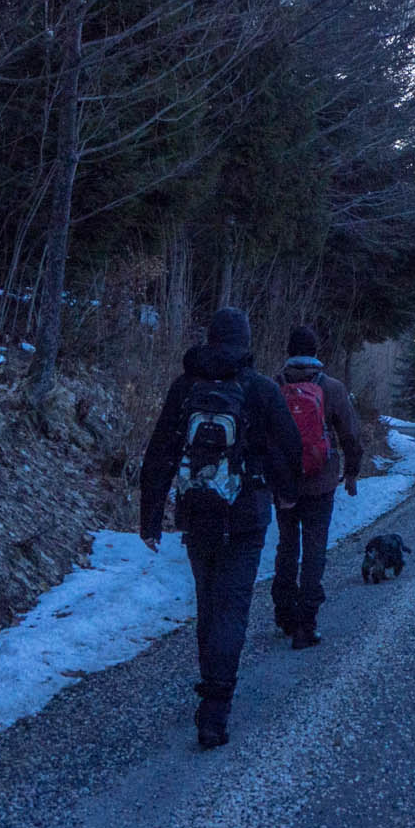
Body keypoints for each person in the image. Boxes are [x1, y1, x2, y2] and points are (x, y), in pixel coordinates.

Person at [140, 307, 301, 748]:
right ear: (245, 341)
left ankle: (209, 684)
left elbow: (160, 452)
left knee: (208, 603)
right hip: (246, 516)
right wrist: (288, 493)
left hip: (196, 512)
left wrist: (150, 519)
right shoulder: (262, 389)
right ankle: (215, 706)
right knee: (232, 606)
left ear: (209, 338)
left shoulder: (185, 386)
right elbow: (288, 446)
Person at [271, 323, 364, 650]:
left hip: (283, 482)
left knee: (286, 546)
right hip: (321, 482)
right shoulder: (332, 387)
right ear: (315, 353)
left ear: (288, 351)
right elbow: (350, 434)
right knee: (314, 549)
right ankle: (306, 622)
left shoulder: (274, 385)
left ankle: (284, 613)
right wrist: (351, 472)